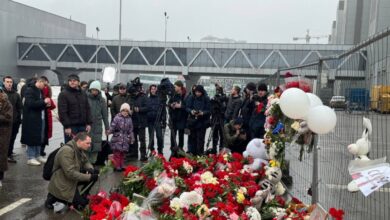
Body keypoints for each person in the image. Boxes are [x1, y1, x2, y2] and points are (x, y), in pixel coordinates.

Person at [46, 132, 99, 211]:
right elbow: (70, 174)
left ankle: (83, 194)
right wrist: (89, 177)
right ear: (79, 141)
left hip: (70, 178)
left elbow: (86, 162)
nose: (89, 145)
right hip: (62, 181)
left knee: (95, 173)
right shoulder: (66, 151)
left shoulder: (78, 148)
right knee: (81, 205)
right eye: (87, 143)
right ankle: (52, 197)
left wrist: (90, 169)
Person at [21, 77, 51, 165]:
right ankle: (31, 157)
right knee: (32, 137)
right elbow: (30, 104)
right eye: (44, 84)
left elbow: (39, 103)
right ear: (39, 82)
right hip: (31, 118)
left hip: (40, 118)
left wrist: (46, 105)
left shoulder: (40, 91)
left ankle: (37, 155)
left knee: (39, 136)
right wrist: (44, 102)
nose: (45, 86)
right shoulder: (30, 90)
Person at [58, 74, 92, 143]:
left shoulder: (83, 93)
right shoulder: (63, 94)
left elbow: (87, 109)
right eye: (70, 81)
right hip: (71, 127)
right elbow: (62, 112)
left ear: (78, 82)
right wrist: (67, 126)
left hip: (82, 126)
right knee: (71, 148)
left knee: (82, 147)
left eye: (74, 80)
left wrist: (89, 123)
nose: (72, 82)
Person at [86, 80, 109, 164]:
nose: (94, 92)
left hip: (98, 126)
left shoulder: (102, 100)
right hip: (88, 126)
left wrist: (107, 128)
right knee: (86, 144)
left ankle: (92, 163)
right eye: (93, 90)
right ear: (90, 90)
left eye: (96, 90)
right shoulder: (85, 98)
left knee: (96, 145)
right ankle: (85, 164)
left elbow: (105, 115)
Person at [186, 85, 210, 156]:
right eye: (196, 92)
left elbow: (209, 110)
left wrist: (202, 113)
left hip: (202, 122)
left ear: (202, 92)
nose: (197, 93)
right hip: (192, 122)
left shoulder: (206, 98)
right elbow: (187, 107)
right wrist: (191, 111)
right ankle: (191, 153)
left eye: (199, 92)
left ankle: (200, 154)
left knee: (200, 140)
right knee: (192, 139)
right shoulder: (191, 97)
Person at [3, 76, 22, 163]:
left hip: (14, 121)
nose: (9, 83)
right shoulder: (1, 94)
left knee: (12, 138)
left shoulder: (16, 95)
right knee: (3, 139)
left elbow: (20, 108)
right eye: (7, 82)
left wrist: (18, 118)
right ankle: (3, 155)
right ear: (4, 82)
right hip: (3, 122)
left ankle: (9, 154)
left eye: (10, 82)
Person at [109, 103, 134, 171]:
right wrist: (110, 131)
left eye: (126, 111)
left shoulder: (129, 119)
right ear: (121, 111)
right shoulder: (117, 118)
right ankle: (117, 166)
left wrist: (132, 138)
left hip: (125, 138)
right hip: (117, 138)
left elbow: (131, 130)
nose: (125, 112)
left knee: (123, 153)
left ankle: (122, 165)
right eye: (123, 111)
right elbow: (113, 126)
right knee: (117, 153)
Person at [128, 83, 148, 161]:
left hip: (141, 121)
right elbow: (128, 105)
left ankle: (143, 154)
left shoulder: (144, 97)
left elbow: (147, 107)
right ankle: (134, 153)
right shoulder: (131, 97)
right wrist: (129, 110)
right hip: (133, 121)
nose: (135, 93)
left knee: (142, 139)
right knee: (134, 139)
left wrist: (139, 109)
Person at [168, 81, 187, 153]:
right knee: (173, 134)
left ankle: (180, 148)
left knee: (181, 134)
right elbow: (169, 103)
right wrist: (172, 105)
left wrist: (180, 106)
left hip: (182, 118)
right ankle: (173, 148)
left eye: (175, 86)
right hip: (174, 118)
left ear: (180, 87)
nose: (174, 88)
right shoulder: (173, 95)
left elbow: (187, 106)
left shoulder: (185, 95)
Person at [39, 76, 56, 157]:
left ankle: (40, 151)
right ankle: (41, 151)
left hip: (45, 115)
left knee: (43, 134)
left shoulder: (41, 90)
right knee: (44, 134)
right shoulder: (47, 90)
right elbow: (53, 106)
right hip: (46, 115)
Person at [147, 84, 165, 155]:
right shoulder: (147, 99)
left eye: (154, 89)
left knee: (159, 137)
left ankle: (160, 150)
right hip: (150, 121)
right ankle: (152, 150)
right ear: (150, 90)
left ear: (156, 89)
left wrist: (163, 120)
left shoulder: (160, 99)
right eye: (152, 89)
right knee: (151, 137)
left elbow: (163, 111)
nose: (153, 90)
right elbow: (146, 110)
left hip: (158, 121)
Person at [0, 87, 13, 187]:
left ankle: (0, 178)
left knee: (1, 156)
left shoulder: (7, 104)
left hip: (3, 133)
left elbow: (8, 118)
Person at [210, 84, 228, 153]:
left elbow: (225, 108)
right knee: (214, 134)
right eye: (216, 90)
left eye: (218, 90)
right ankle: (214, 148)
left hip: (221, 118)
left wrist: (220, 101)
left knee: (222, 135)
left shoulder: (225, 98)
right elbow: (211, 108)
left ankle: (221, 148)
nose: (217, 91)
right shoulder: (214, 97)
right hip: (215, 118)